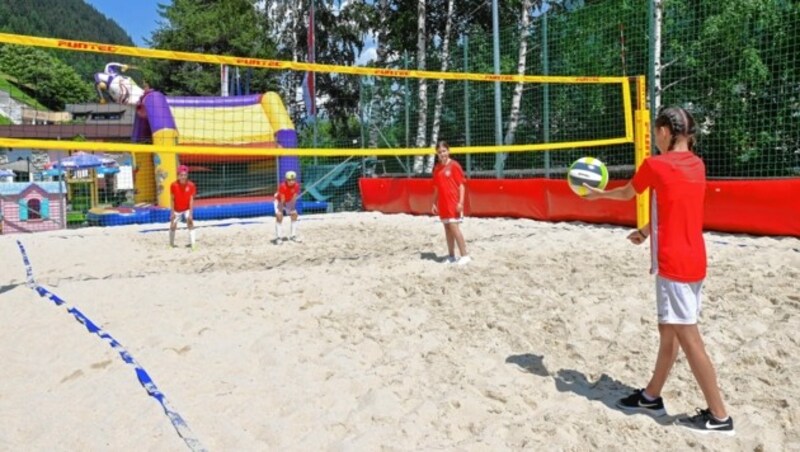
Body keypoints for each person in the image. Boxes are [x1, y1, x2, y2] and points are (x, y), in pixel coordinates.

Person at [584, 106, 734, 435]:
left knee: (688, 336)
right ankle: (651, 396)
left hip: (674, 263)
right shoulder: (697, 164)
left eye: (656, 132)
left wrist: (596, 196)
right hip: (694, 258)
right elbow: (676, 208)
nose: (654, 138)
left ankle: (720, 416)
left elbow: (627, 192)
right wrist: (648, 229)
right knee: (669, 330)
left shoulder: (656, 164)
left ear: (666, 131)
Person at [431, 140, 470, 265]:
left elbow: (461, 185)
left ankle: (465, 255)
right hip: (443, 203)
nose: (442, 154)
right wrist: (433, 203)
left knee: (454, 227)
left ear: (448, 151)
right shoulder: (437, 168)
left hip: (454, 202)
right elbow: (436, 188)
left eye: (444, 151)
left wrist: (461, 202)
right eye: (440, 152)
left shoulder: (454, 165)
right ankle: (451, 255)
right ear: (437, 154)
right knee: (447, 228)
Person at [169, 165, 197, 249]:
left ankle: (193, 244)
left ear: (187, 175)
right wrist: (172, 212)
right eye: (181, 175)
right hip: (177, 209)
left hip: (187, 208)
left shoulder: (191, 185)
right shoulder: (173, 185)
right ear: (178, 175)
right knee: (173, 225)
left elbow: (191, 200)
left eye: (185, 175)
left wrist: (191, 214)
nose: (183, 177)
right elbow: (172, 200)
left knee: (190, 223)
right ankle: (171, 245)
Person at [273, 170, 301, 244]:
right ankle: (278, 238)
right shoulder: (282, 186)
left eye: (293, 179)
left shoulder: (297, 186)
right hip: (279, 200)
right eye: (289, 180)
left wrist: (292, 208)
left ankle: (293, 236)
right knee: (279, 215)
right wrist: (280, 210)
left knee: (294, 214)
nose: (291, 181)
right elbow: (282, 200)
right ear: (286, 179)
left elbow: (294, 198)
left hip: (288, 200)